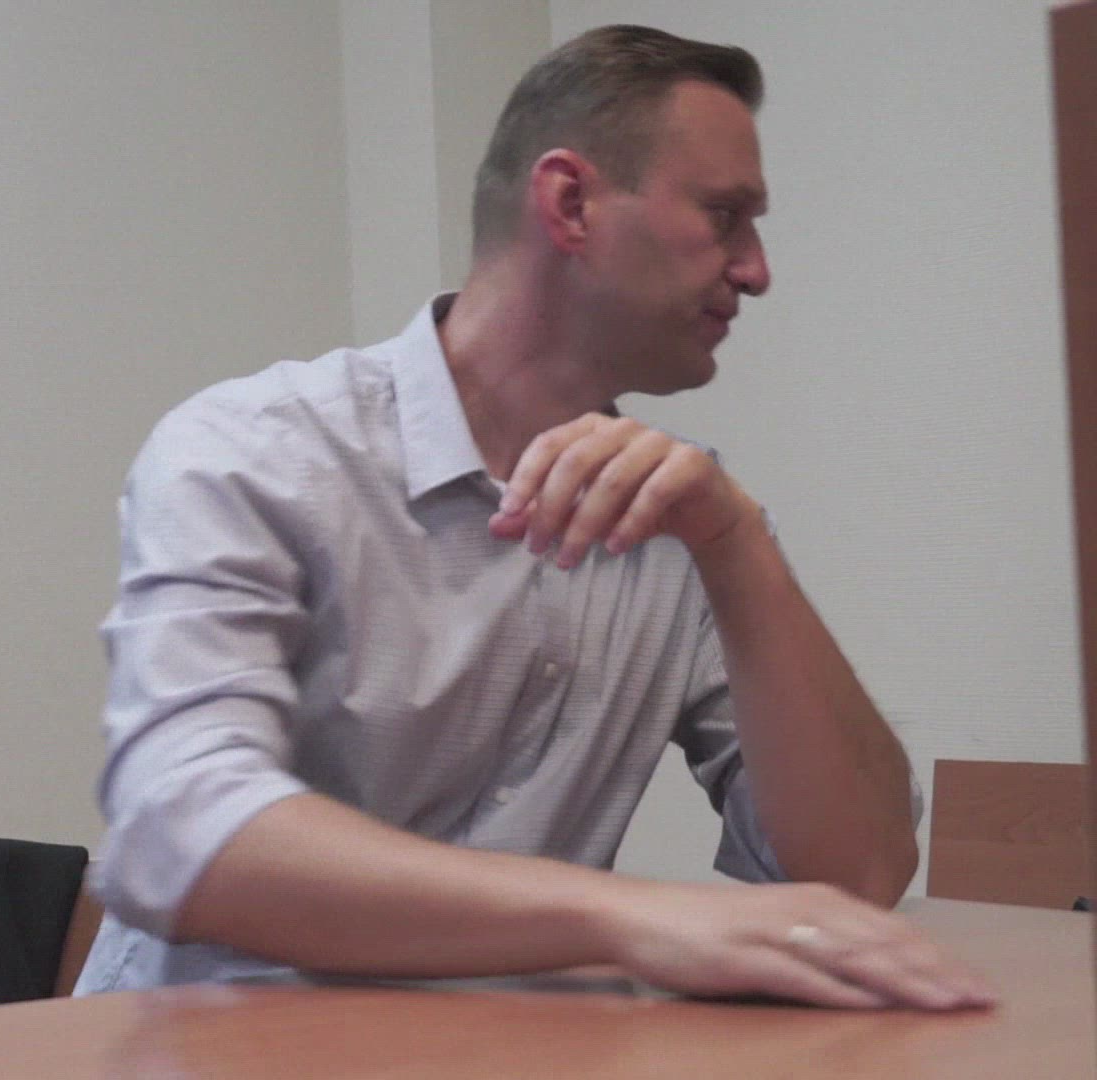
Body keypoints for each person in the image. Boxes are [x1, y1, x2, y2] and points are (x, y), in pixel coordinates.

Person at [77, 25, 993, 1011]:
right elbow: (180, 833)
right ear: (569, 204)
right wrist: (634, 917)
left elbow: (858, 875)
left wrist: (738, 546)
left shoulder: (683, 515)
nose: (756, 269)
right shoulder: (256, 451)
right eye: (725, 216)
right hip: (218, 1051)